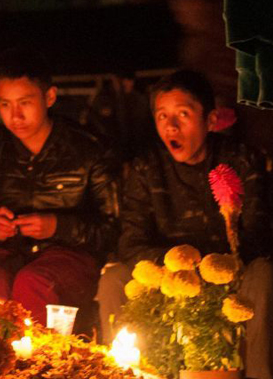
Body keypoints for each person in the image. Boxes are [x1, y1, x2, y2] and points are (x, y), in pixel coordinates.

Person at [96, 70, 271, 378]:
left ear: (211, 120)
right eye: (162, 115)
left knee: (263, 274)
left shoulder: (241, 160)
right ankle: (120, 372)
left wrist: (212, 269)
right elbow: (130, 243)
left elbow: (258, 235)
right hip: (167, 279)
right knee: (114, 279)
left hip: (229, 278)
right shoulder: (146, 168)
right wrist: (177, 271)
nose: (171, 125)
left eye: (183, 114)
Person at [0, 48, 120, 324]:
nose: (15, 116)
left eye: (25, 102)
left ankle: (35, 363)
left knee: (32, 282)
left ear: (49, 97)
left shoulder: (87, 148)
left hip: (69, 257)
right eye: (5, 105)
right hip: (8, 254)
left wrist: (59, 226)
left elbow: (112, 229)